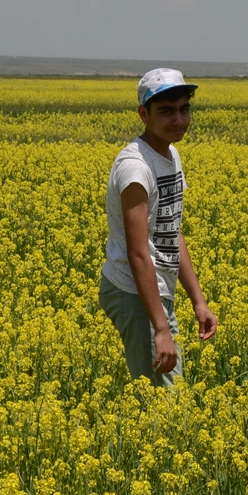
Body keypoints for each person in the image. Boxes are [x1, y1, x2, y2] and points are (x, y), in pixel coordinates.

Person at [99, 68, 217, 387]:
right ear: (143, 114)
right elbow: (138, 254)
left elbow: (171, 230)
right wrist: (161, 329)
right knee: (160, 400)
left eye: (184, 109)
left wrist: (198, 301)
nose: (178, 120)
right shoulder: (135, 169)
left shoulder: (170, 154)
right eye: (166, 111)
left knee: (166, 392)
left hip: (156, 290)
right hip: (134, 291)